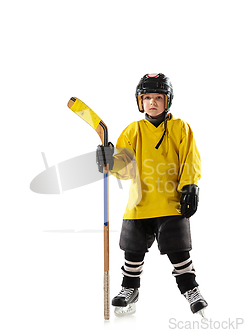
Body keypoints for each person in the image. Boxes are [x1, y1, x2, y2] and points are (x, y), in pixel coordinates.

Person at [96, 73, 207, 317]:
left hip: (170, 204)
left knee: (179, 252)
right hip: (139, 205)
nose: (153, 102)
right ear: (140, 101)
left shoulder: (180, 128)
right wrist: (108, 160)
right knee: (132, 252)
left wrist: (191, 186)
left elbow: (190, 158)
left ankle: (191, 290)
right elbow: (124, 171)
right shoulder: (132, 131)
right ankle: (129, 289)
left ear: (168, 100)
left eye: (158, 97)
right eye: (147, 98)